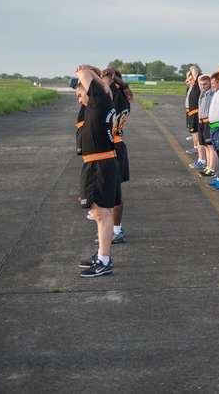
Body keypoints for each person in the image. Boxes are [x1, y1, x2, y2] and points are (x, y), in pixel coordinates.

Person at [74, 64, 120, 277]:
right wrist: (102, 83)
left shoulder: (99, 100)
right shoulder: (102, 101)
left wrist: (101, 82)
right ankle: (102, 255)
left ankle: (104, 260)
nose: (79, 100)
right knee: (102, 213)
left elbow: (81, 72)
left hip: (99, 164)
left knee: (100, 214)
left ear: (91, 91)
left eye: (80, 94)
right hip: (102, 163)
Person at [102, 68, 131, 244]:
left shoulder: (116, 97)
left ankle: (116, 230)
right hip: (116, 144)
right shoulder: (123, 96)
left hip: (114, 146)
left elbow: (106, 80)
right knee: (112, 191)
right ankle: (114, 228)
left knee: (114, 192)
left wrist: (107, 74)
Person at [196, 75, 216, 177]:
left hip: (208, 121)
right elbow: (198, 79)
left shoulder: (211, 92)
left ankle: (211, 169)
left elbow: (213, 77)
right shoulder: (202, 93)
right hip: (201, 122)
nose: (203, 86)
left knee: (210, 146)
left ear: (210, 84)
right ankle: (208, 167)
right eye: (201, 84)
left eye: (205, 84)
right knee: (206, 146)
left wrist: (209, 77)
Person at [185, 66, 202, 160]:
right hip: (191, 112)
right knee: (194, 134)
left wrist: (193, 69)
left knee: (197, 136)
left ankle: (201, 157)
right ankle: (196, 148)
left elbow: (196, 77)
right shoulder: (191, 88)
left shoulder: (197, 87)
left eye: (191, 79)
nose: (189, 80)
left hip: (195, 113)